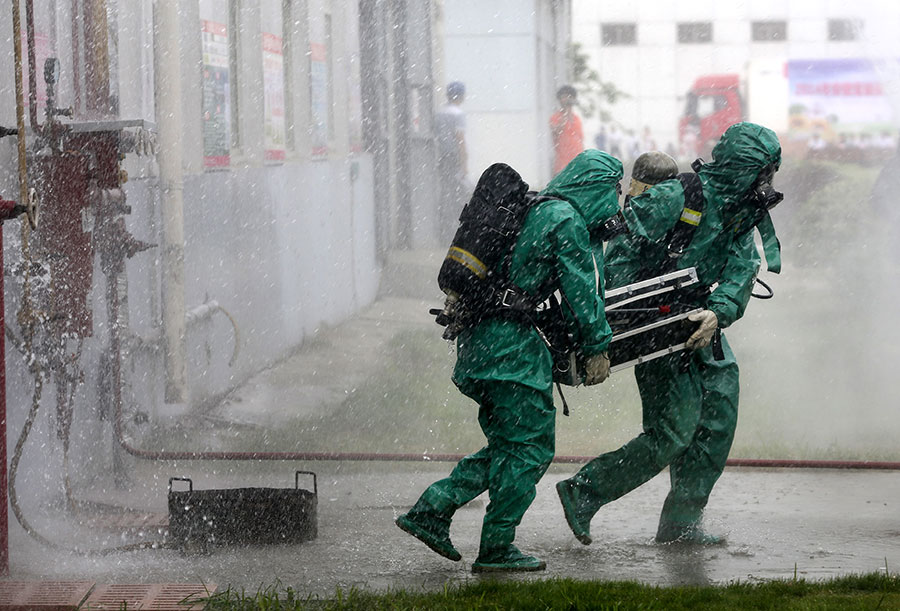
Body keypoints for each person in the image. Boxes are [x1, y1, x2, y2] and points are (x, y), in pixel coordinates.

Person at [556, 122, 784, 546]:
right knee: (673, 431)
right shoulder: (678, 195)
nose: (767, 183)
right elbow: (620, 246)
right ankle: (584, 492)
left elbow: (741, 266)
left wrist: (719, 313)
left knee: (717, 420)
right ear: (742, 167)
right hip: (655, 324)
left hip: (700, 320)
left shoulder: (741, 209)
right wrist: (630, 311)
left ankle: (682, 524)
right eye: (764, 171)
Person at [396, 150, 624, 573]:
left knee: (507, 446)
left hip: (479, 343)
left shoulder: (532, 209)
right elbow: (581, 293)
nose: (616, 203)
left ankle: (432, 509)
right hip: (512, 354)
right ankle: (496, 547)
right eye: (614, 191)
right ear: (597, 187)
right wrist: (597, 346)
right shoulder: (566, 220)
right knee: (532, 449)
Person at [434, 81, 469, 242]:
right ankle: (454, 232)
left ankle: (442, 230)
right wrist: (464, 163)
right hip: (454, 158)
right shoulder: (458, 114)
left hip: (441, 157)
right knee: (457, 194)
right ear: (461, 96)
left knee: (444, 193)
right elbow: (460, 139)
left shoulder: (439, 114)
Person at [550, 85, 584, 175]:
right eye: (563, 97)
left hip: (577, 164)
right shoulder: (555, 117)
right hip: (562, 165)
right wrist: (565, 113)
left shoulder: (577, 119)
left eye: (569, 97)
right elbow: (556, 131)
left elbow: (580, 140)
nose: (566, 100)